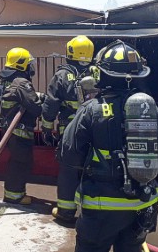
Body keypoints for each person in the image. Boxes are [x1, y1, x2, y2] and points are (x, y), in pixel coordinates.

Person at [60, 40, 158, 252]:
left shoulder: (91, 109)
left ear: (103, 73)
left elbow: (69, 153)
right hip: (142, 203)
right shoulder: (149, 108)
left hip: (101, 206)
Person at [41, 35, 95, 222]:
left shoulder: (62, 75)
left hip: (70, 131)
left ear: (70, 51)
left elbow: (50, 104)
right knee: (94, 169)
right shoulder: (99, 73)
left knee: (69, 169)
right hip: (96, 131)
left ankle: (65, 212)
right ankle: (92, 213)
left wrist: (47, 129)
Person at [0, 47, 42, 205]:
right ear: (21, 64)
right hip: (19, 132)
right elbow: (36, 107)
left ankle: (15, 193)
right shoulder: (21, 82)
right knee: (20, 163)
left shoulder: (5, 80)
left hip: (10, 130)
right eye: (28, 64)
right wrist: (43, 99)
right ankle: (14, 196)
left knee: (16, 161)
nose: (30, 67)